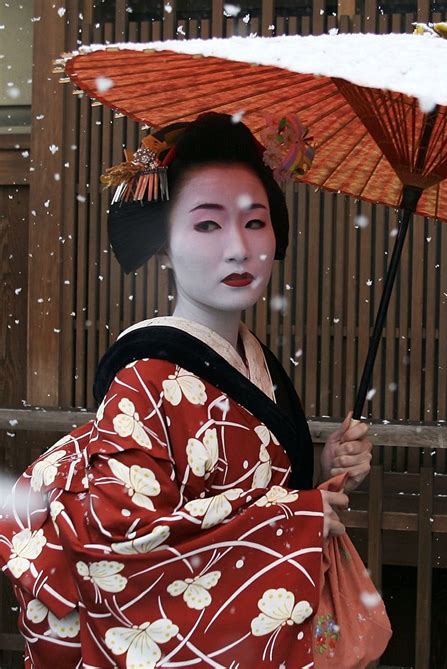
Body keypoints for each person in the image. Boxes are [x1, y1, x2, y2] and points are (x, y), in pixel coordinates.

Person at [0, 113, 371, 668]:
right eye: (207, 225)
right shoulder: (144, 379)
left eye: (255, 222)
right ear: (165, 248)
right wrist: (295, 520)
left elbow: (258, 488)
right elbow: (126, 549)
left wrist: (322, 468)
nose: (239, 249)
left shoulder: (255, 361)